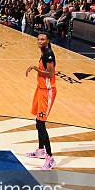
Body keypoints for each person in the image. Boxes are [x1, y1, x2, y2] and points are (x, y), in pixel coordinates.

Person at [26, 32, 57, 170]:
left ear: (48, 40)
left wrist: (35, 68)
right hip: (40, 90)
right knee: (38, 122)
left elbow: (50, 74)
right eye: (38, 39)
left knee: (41, 124)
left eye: (43, 39)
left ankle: (50, 158)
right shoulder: (44, 52)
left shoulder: (48, 54)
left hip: (47, 92)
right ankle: (41, 150)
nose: (40, 41)